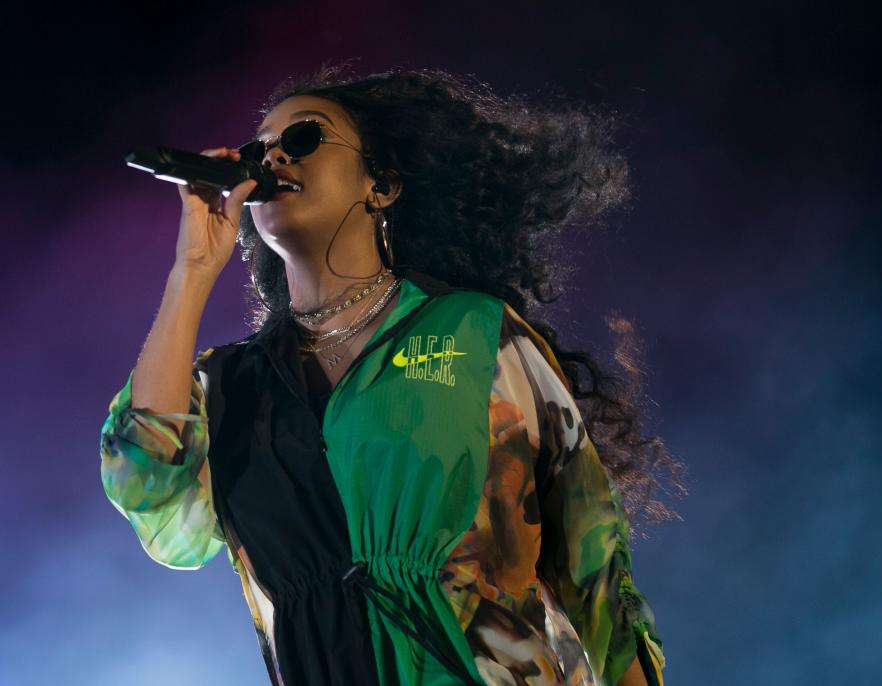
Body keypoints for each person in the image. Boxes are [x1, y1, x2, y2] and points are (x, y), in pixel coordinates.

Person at [100, 64, 683, 686]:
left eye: (302, 139)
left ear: (381, 186)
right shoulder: (229, 385)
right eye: (256, 150)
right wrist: (192, 269)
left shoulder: (473, 331)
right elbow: (155, 501)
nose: (272, 159)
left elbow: (594, 571)